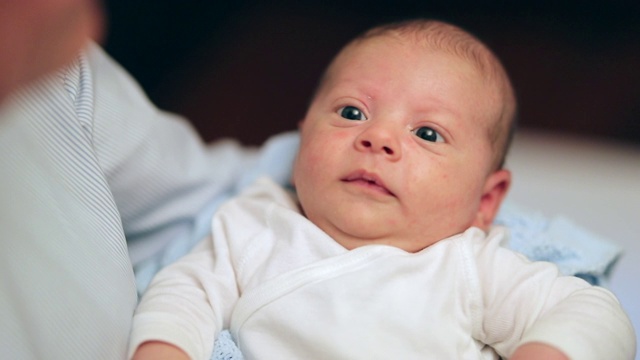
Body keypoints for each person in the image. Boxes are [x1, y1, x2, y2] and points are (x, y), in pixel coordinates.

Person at [128, 19, 636, 360]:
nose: (377, 138)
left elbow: (593, 313)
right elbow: (185, 292)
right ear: (303, 137)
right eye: (352, 113)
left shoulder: (467, 264)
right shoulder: (255, 222)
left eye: (427, 133)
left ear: (486, 200)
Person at [0, 1, 261, 358]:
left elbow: (208, 187)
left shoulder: (58, 75)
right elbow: (191, 290)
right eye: (350, 113)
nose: (90, 27)